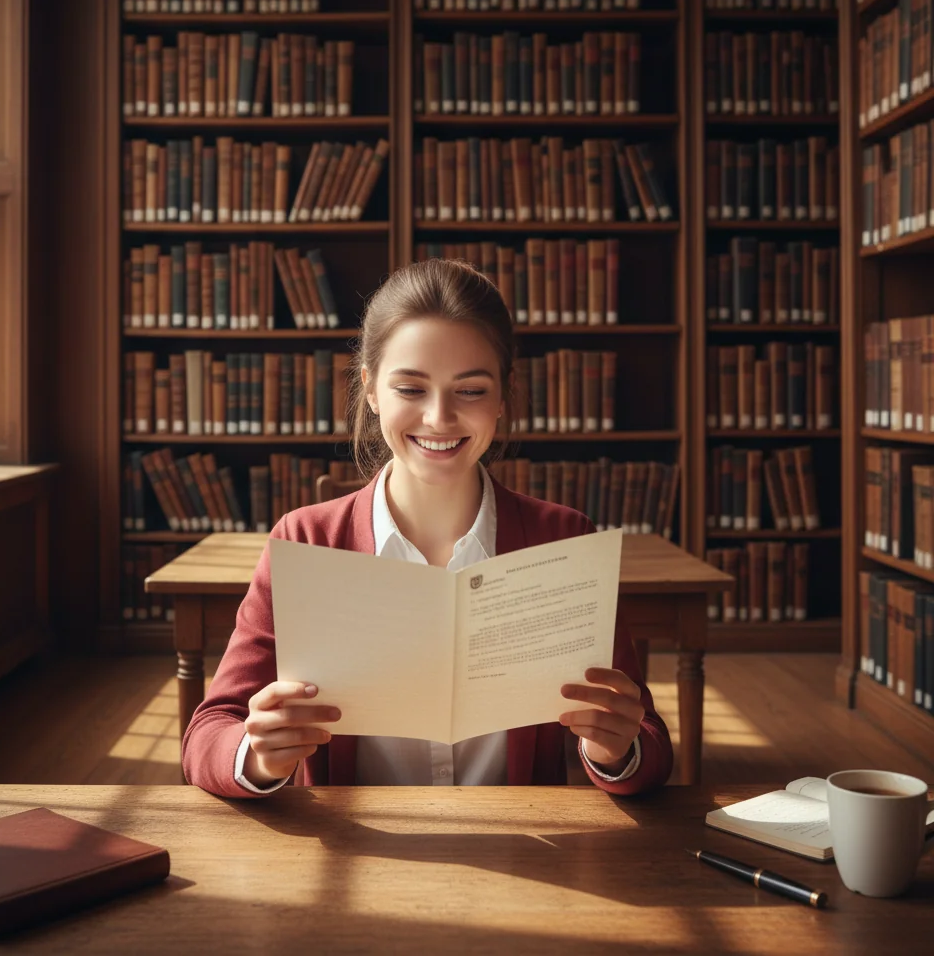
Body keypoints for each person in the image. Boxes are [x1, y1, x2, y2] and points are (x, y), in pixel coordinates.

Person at [182, 258, 673, 797]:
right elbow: (208, 734)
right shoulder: (304, 541)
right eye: (411, 389)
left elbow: (648, 742)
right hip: (350, 855)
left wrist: (616, 750)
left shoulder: (565, 540)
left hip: (529, 853)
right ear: (371, 389)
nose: (439, 418)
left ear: (504, 396)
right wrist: (257, 755)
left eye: (470, 391)